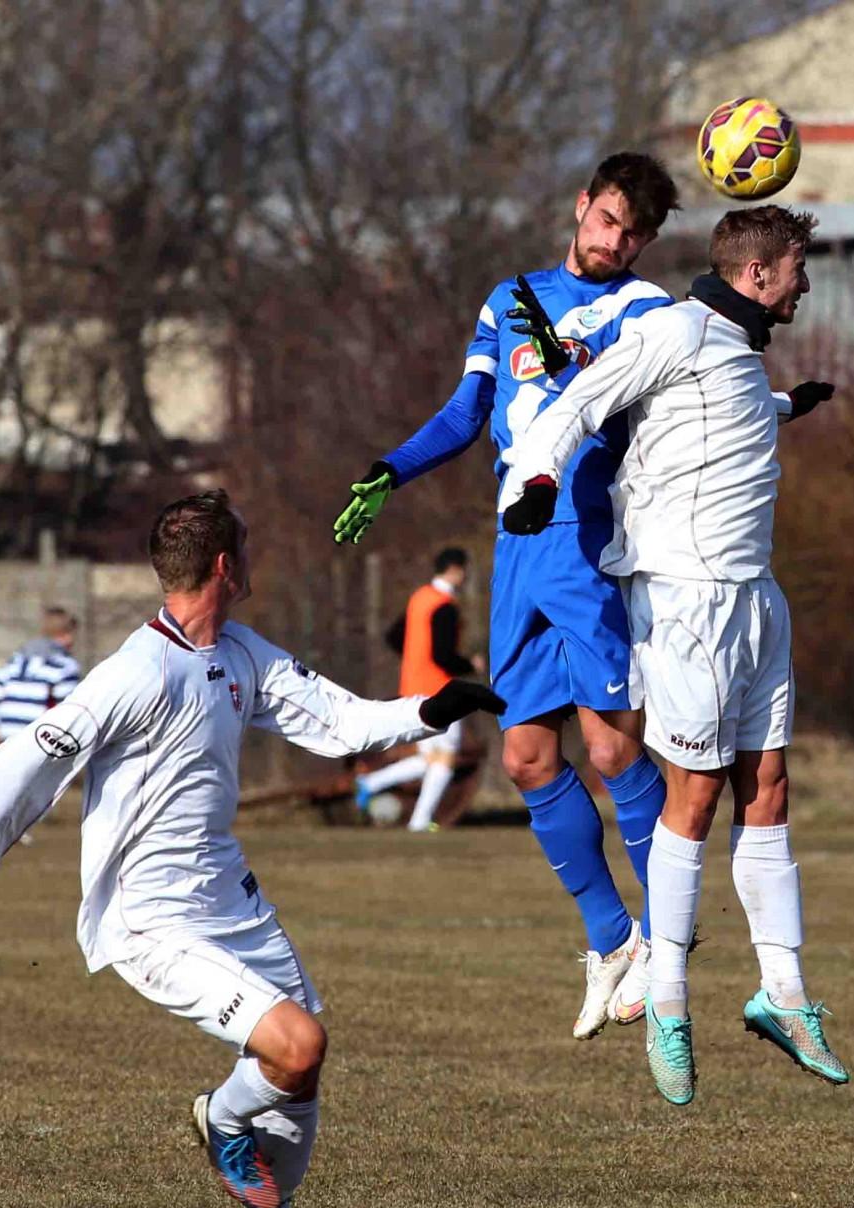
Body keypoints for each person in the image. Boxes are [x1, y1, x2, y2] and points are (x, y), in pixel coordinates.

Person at [0, 489, 504, 1208]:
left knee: (300, 1068)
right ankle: (221, 1119)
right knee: (296, 1044)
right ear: (222, 564)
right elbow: (27, 755)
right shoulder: (139, 670)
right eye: (244, 546)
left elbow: (338, 721)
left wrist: (433, 709)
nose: (251, 559)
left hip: (231, 900)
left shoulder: (240, 650)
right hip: (154, 919)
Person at [501, 205, 849, 1105]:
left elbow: (719, 418)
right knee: (693, 797)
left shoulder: (734, 350)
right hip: (686, 600)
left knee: (768, 786)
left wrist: (787, 405)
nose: (806, 282)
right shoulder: (675, 328)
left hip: (755, 597)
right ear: (757, 273)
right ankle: (664, 1004)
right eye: (797, 267)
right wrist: (535, 480)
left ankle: (783, 995)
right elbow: (577, 402)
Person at [333, 154, 679, 1039]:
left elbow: (623, 389)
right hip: (518, 545)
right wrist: (391, 468)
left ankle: (666, 936)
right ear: (581, 205)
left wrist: (575, 356)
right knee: (525, 758)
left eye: (633, 234)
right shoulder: (506, 299)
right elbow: (466, 412)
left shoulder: (645, 308)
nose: (614, 242)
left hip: (589, 537)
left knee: (609, 748)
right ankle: (612, 940)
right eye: (606, 220)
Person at [358, 547, 484, 832]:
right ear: (455, 570)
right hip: (439, 690)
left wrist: (416, 660)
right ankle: (420, 822)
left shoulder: (420, 598)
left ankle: (371, 783)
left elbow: (394, 636)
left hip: (413, 687)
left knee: (430, 758)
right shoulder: (445, 606)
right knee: (446, 759)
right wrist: (470, 665)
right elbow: (442, 656)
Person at [0, 606, 81, 740]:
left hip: (7, 732)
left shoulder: (17, 660)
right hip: (39, 736)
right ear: (67, 635)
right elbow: (68, 707)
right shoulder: (65, 665)